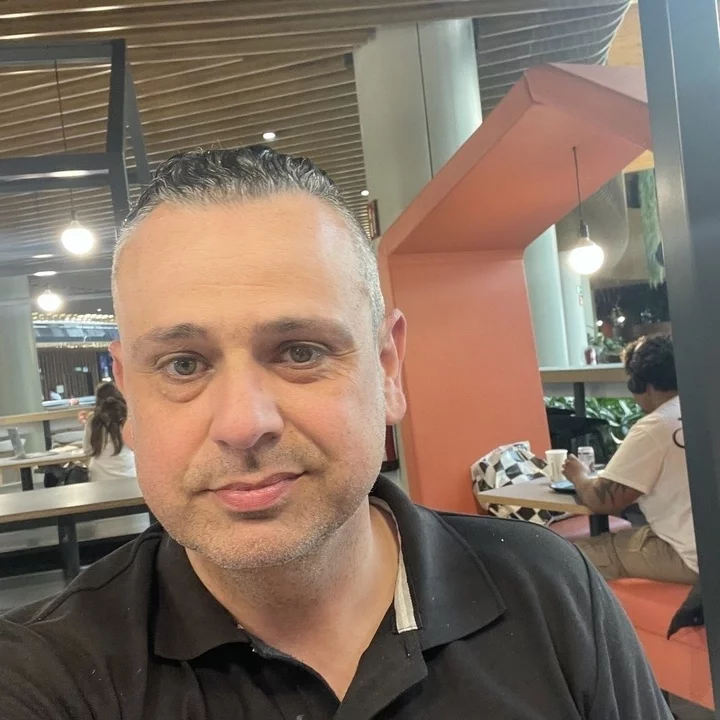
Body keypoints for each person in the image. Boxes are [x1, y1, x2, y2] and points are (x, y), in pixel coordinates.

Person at [0, 147, 671, 719]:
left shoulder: (547, 592)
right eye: (183, 365)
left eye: (300, 352)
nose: (243, 424)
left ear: (388, 369)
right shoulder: (45, 677)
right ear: (128, 393)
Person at [564, 333, 697, 584]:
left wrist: (578, 475)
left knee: (572, 555)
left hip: (695, 560)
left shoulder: (655, 427)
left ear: (638, 384)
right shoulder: (706, 408)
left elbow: (602, 502)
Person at [81, 381, 136, 483]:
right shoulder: (129, 417)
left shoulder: (93, 420)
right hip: (129, 473)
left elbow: (87, 450)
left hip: (100, 477)